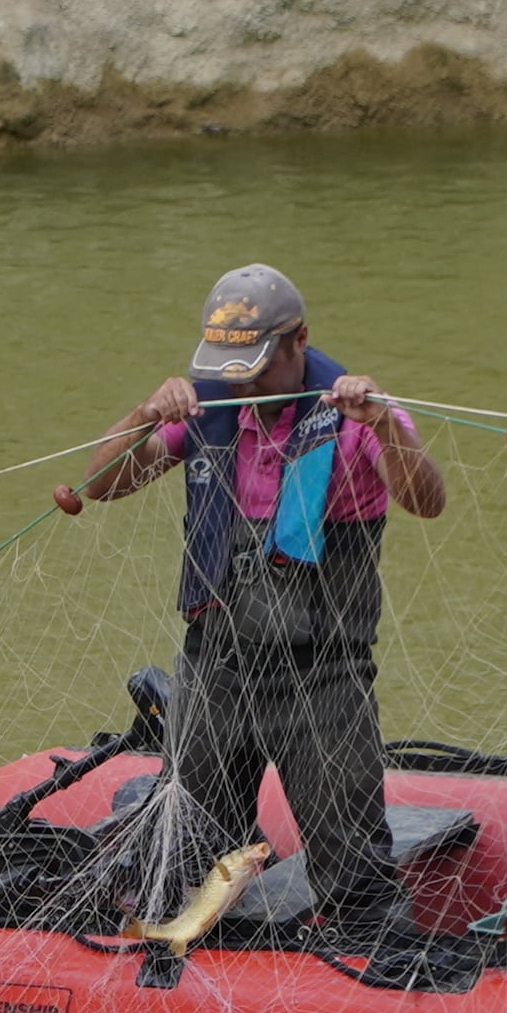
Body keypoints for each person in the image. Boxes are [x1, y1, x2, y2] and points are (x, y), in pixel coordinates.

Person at [78, 263, 447, 940]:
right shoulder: (211, 415)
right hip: (215, 666)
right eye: (229, 366)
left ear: (299, 339)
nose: (240, 381)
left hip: (322, 678)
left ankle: (378, 974)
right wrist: (141, 415)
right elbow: (101, 482)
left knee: (356, 867)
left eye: (255, 364)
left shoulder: (357, 421)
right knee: (181, 854)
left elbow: (428, 501)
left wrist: (386, 426)